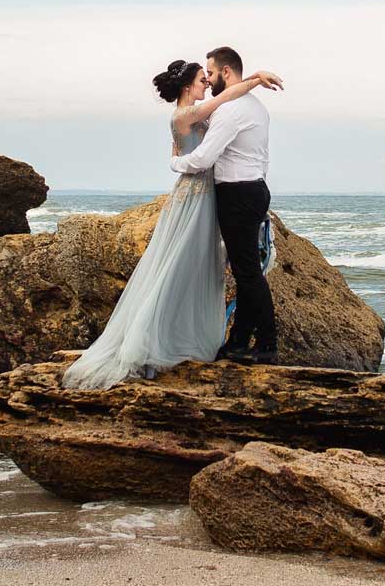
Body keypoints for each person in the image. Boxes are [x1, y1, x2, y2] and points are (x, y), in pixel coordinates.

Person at [61, 57, 283, 389]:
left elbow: (225, 93)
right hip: (194, 195)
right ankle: (153, 344)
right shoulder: (186, 114)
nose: (206, 83)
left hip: (210, 195)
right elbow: (223, 101)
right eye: (201, 79)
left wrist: (252, 77)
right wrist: (176, 162)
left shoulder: (200, 110)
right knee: (177, 266)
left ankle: (222, 340)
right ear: (186, 87)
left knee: (203, 269)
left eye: (208, 76)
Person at [169, 46, 277, 365]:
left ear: (226, 72)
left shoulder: (231, 111)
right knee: (247, 272)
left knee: (248, 274)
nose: (210, 78)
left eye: (212, 73)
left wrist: (175, 163)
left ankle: (268, 344)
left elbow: (204, 158)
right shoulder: (256, 107)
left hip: (237, 195)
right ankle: (239, 342)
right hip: (255, 188)